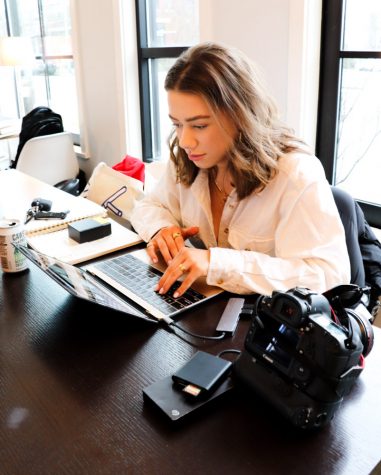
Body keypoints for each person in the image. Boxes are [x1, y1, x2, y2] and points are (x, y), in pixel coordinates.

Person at [130, 42, 350, 299]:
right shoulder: (190, 158)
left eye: (199, 126)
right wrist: (161, 230)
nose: (185, 141)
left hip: (270, 324)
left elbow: (327, 273)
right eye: (177, 124)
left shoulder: (295, 173)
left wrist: (216, 263)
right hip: (210, 310)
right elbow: (148, 206)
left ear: (239, 115)